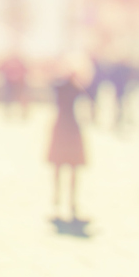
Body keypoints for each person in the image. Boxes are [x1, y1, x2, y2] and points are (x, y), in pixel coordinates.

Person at [45, 67, 90, 225]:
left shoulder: (63, 87)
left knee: (62, 167)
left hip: (62, 129)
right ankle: (66, 199)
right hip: (71, 130)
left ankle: (60, 198)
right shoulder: (72, 88)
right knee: (70, 167)